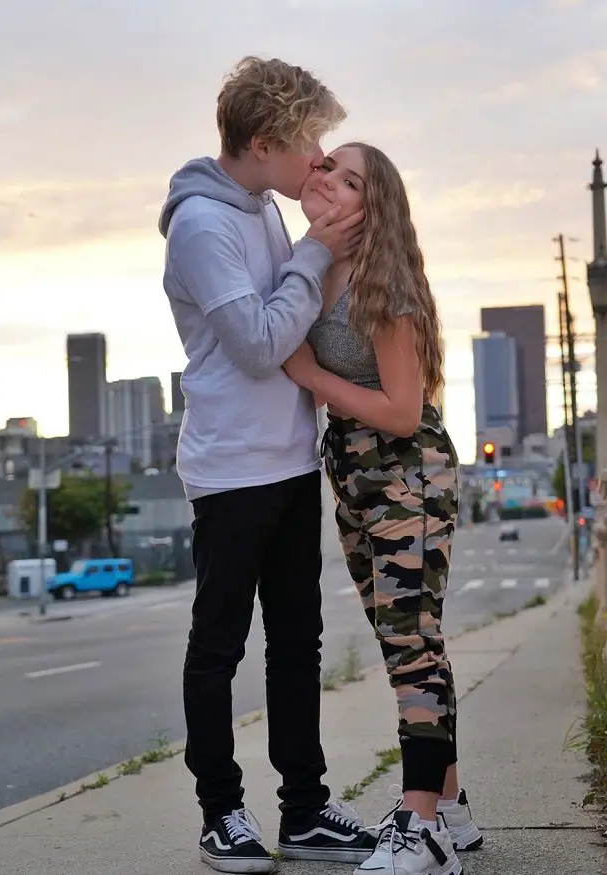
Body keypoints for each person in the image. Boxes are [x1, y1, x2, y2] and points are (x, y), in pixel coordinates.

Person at [158, 58, 375, 874]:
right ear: (262, 141)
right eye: (309, 143)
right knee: (220, 646)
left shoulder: (259, 208)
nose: (318, 159)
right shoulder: (203, 226)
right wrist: (316, 253)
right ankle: (221, 814)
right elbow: (255, 345)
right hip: (231, 469)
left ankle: (307, 810)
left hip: (288, 458)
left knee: (297, 643)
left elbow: (287, 320)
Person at [283, 143, 484, 875]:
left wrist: (307, 371)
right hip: (356, 483)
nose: (329, 179)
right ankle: (451, 808)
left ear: (374, 206)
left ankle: (421, 824)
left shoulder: (382, 282)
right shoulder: (311, 266)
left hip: (408, 477)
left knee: (410, 644)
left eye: (349, 178)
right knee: (410, 642)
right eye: (327, 165)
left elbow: (403, 409)